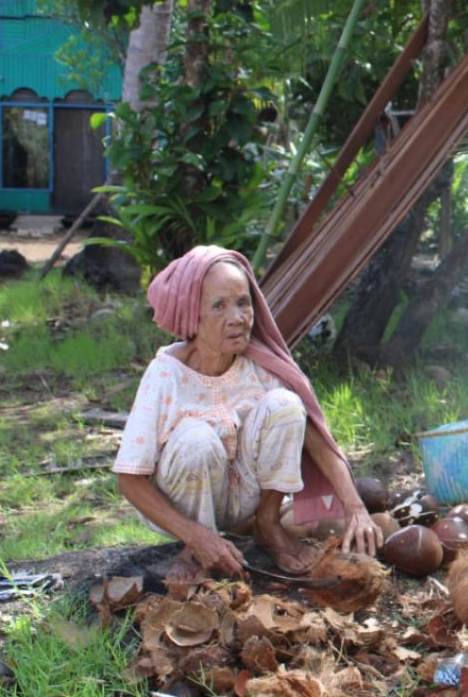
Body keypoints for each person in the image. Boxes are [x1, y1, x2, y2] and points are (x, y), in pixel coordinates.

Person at [112, 246, 383, 585]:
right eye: (218, 306)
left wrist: (355, 508)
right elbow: (129, 479)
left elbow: (317, 439)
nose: (237, 318)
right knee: (196, 438)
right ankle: (197, 547)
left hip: (243, 498)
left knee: (286, 404)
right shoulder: (165, 375)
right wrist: (196, 536)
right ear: (190, 315)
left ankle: (267, 526)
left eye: (243, 303)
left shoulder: (259, 366)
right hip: (184, 502)